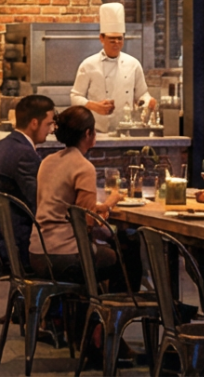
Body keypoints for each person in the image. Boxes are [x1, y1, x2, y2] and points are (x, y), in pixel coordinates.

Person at [33, 106, 129, 288]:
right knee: (121, 256)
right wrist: (109, 203)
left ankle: (89, 309)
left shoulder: (47, 161)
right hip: (64, 256)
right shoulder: (84, 167)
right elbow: (86, 223)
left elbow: (61, 207)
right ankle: (114, 311)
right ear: (88, 133)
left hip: (37, 252)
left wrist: (97, 207)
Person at [0, 95, 52, 265]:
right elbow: (39, 203)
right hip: (9, 246)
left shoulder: (3, 145)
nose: (51, 130)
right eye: (49, 124)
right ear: (34, 123)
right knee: (69, 257)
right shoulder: (24, 154)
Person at [70, 3, 148, 132]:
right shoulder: (88, 64)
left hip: (126, 130)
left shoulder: (133, 64)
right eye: (112, 40)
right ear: (101, 38)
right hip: (95, 131)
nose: (116, 43)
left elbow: (142, 94)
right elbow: (75, 97)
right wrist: (94, 106)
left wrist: (147, 101)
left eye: (120, 39)